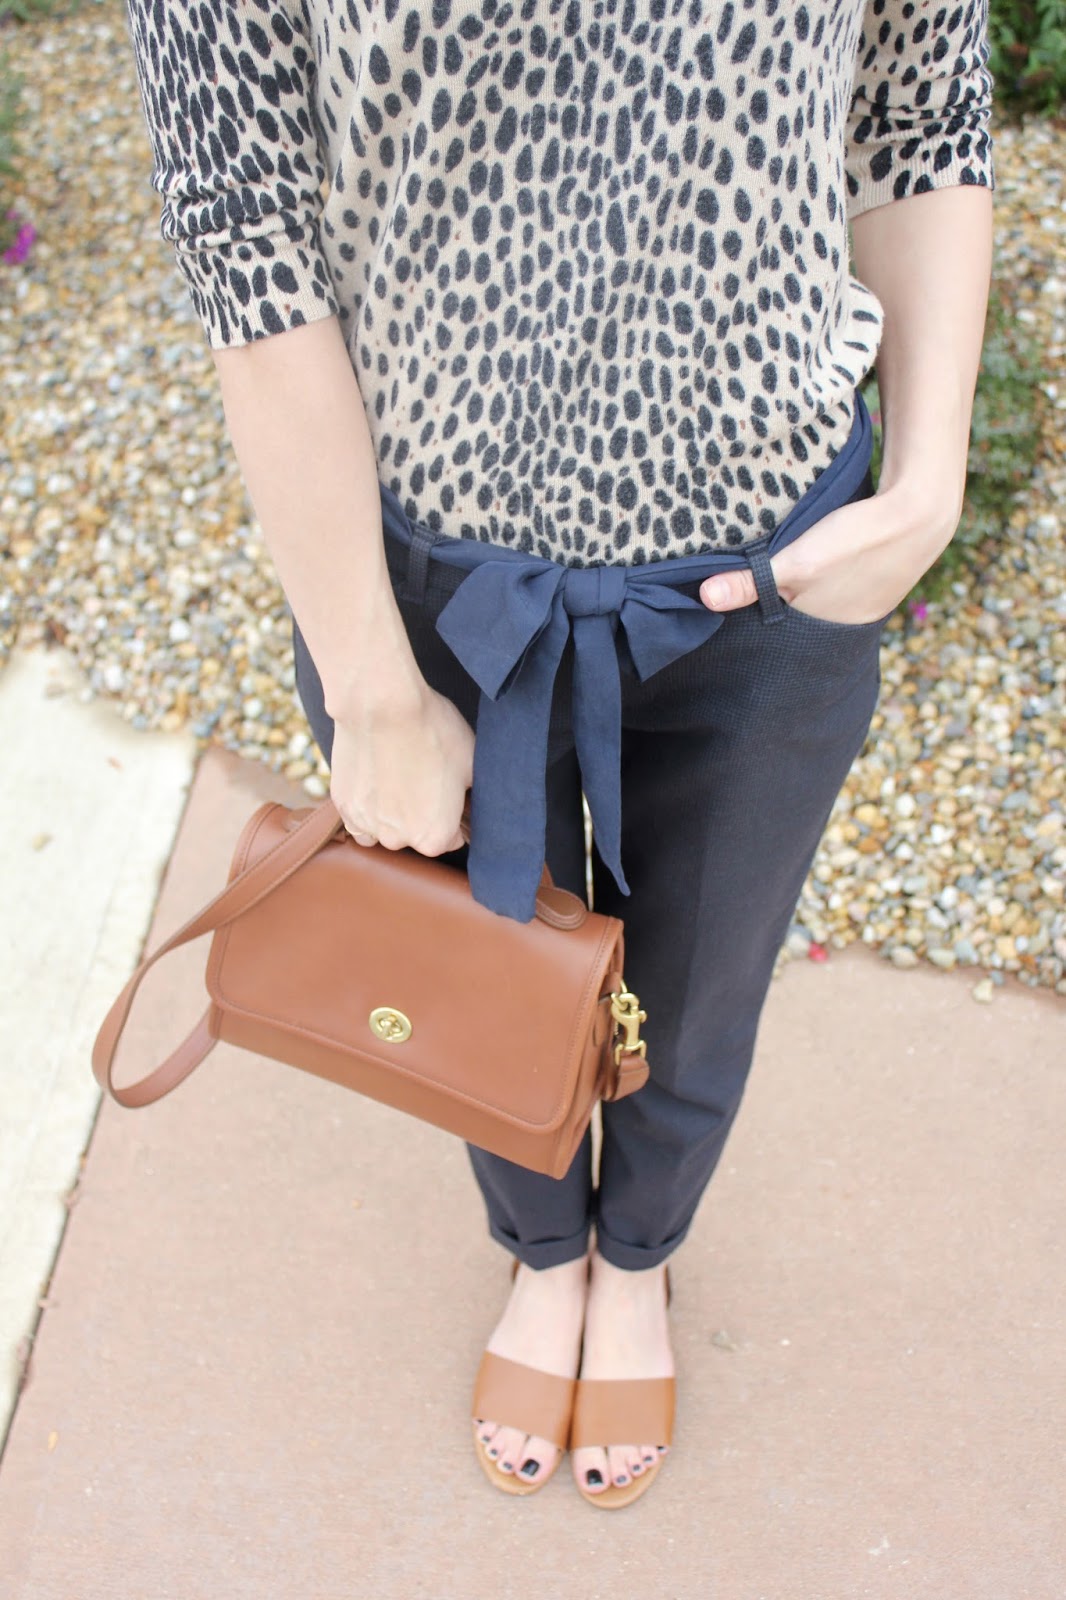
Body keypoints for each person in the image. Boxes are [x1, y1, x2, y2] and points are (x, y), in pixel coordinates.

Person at [124, 0, 993, 1508]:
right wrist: (372, 685)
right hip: (430, 594)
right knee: (473, 977)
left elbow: (917, 110)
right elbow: (241, 234)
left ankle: (638, 1256)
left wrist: (925, 480)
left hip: (771, 572)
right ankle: (541, 1253)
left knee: (704, 972)